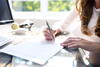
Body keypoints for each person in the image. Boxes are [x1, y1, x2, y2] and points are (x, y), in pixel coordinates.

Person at [43, 0, 100, 66]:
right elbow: (63, 25)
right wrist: (52, 31)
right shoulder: (84, 2)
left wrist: (92, 45)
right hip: (81, 59)